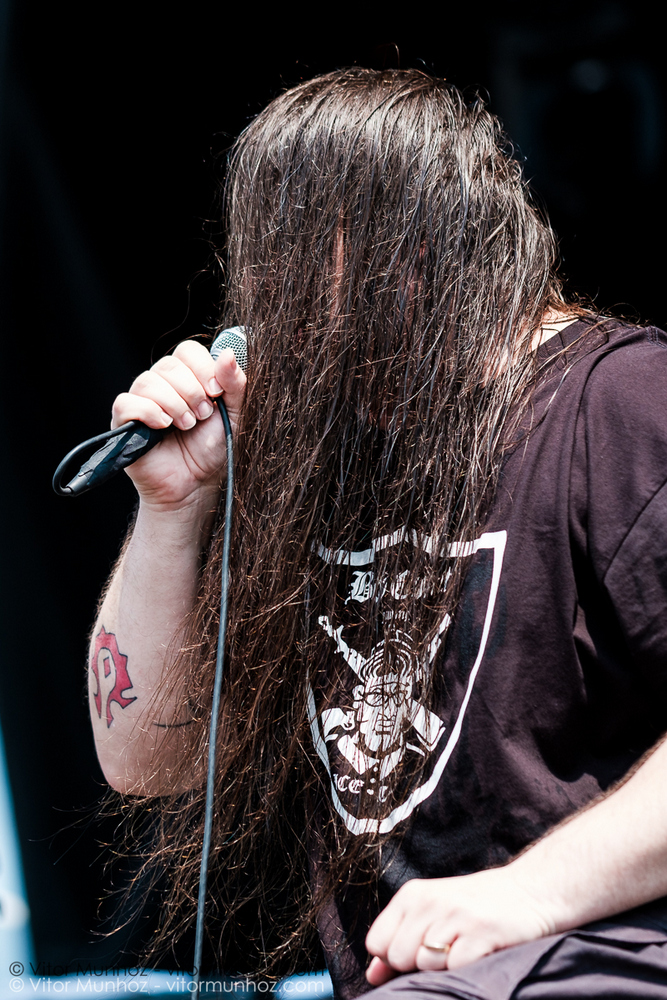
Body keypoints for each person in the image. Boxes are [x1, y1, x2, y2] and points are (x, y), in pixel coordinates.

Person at [88, 68, 667, 998]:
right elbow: (142, 762)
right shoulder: (327, 462)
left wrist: (532, 893)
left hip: (607, 960)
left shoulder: (623, 400)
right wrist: (171, 507)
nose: (266, 301)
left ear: (412, 244)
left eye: (291, 254)